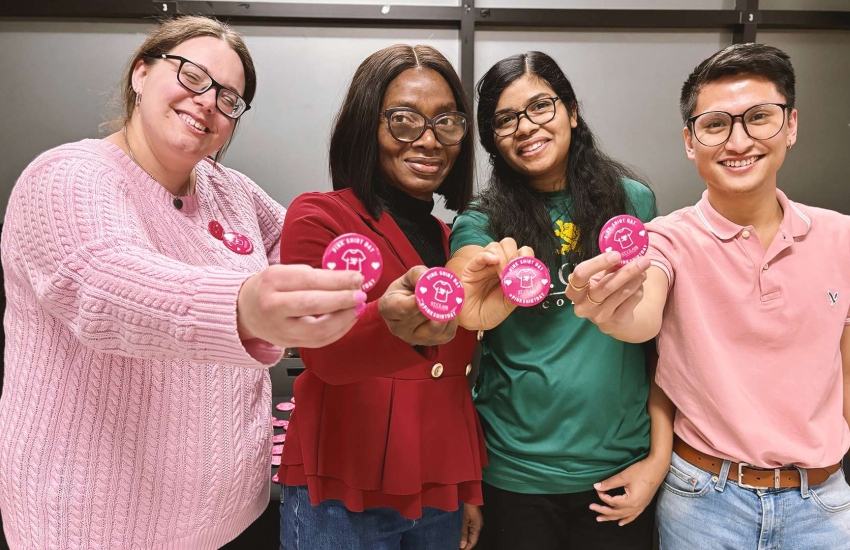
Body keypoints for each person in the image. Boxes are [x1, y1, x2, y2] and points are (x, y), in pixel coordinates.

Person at [0, 16, 365, 550]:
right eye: (192, 76)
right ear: (141, 73)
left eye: (229, 99)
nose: (208, 102)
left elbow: (308, 248)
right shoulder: (66, 177)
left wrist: (393, 277)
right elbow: (107, 288)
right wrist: (242, 306)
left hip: (231, 523)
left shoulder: (229, 190)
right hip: (93, 530)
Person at [567, 43, 850, 548]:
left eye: (759, 117)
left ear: (791, 125)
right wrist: (610, 309)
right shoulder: (665, 238)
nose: (738, 141)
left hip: (823, 504)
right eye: (716, 124)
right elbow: (642, 316)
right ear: (690, 141)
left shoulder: (840, 238)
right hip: (704, 501)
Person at [446, 51, 670, 550]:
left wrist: (657, 461)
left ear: (571, 111)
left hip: (619, 470)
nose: (525, 127)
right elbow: (464, 276)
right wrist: (467, 291)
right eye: (505, 119)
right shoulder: (482, 218)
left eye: (540, 107)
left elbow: (662, 344)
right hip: (514, 475)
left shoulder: (633, 203)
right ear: (492, 139)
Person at [275, 44, 487, 550]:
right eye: (404, 120)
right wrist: (387, 323)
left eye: (446, 122)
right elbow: (322, 353)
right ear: (365, 126)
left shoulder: (453, 240)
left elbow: (453, 384)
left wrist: (467, 485)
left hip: (437, 493)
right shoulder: (319, 216)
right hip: (339, 492)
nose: (429, 140)